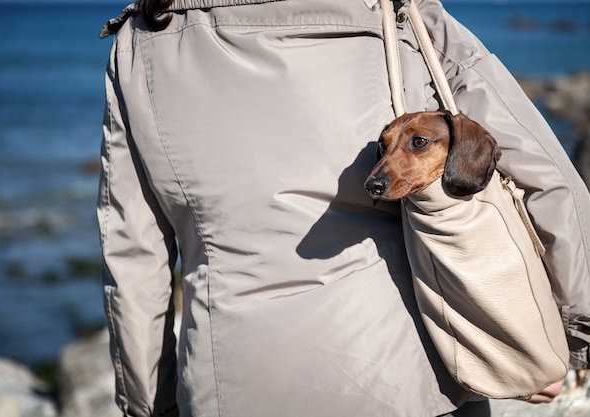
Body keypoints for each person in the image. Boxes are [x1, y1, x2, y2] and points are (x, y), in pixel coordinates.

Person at [97, 1, 590, 416]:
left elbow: (133, 256)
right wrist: (568, 340)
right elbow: (549, 177)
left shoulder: (139, 44)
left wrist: (149, 404)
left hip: (228, 388)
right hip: (412, 384)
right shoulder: (402, 18)